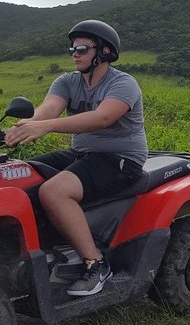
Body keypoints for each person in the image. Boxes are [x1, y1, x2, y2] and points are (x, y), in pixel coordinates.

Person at [5, 20, 147, 297]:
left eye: (82, 48)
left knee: (54, 191)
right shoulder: (67, 81)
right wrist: (18, 129)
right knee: (19, 174)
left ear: (104, 52)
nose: (75, 53)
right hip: (82, 154)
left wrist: (44, 128)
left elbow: (102, 117)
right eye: (72, 47)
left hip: (121, 159)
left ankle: (96, 264)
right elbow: (46, 112)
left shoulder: (123, 83)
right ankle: (44, 248)